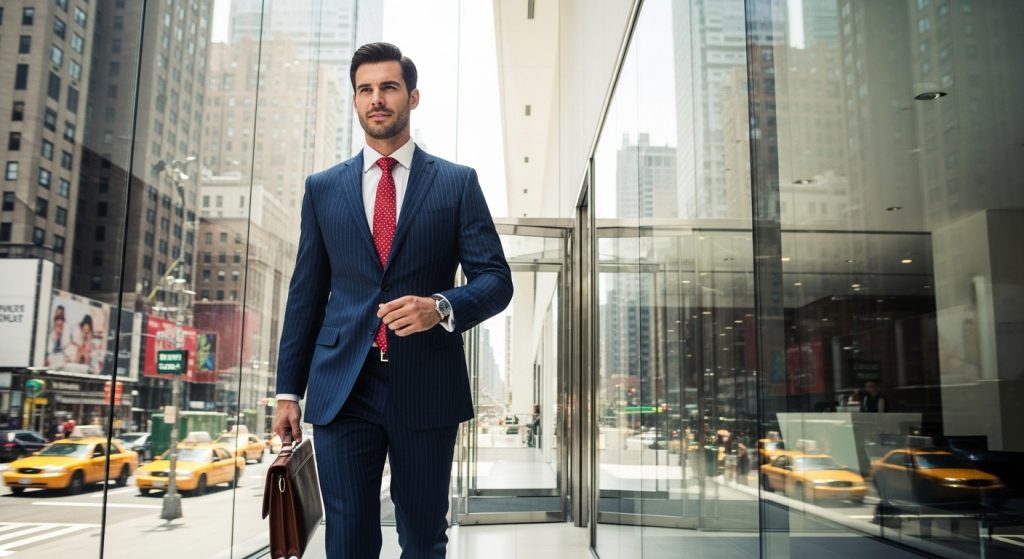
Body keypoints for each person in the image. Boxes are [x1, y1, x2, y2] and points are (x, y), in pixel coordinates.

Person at [273, 42, 513, 559]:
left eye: (388, 87)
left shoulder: (456, 183)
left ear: (412, 96)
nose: (376, 99)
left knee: (423, 537)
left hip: (426, 383)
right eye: (365, 90)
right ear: (355, 101)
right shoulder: (322, 188)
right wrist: (288, 391)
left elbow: (496, 280)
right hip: (343, 387)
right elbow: (305, 295)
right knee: (348, 539)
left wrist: (440, 306)